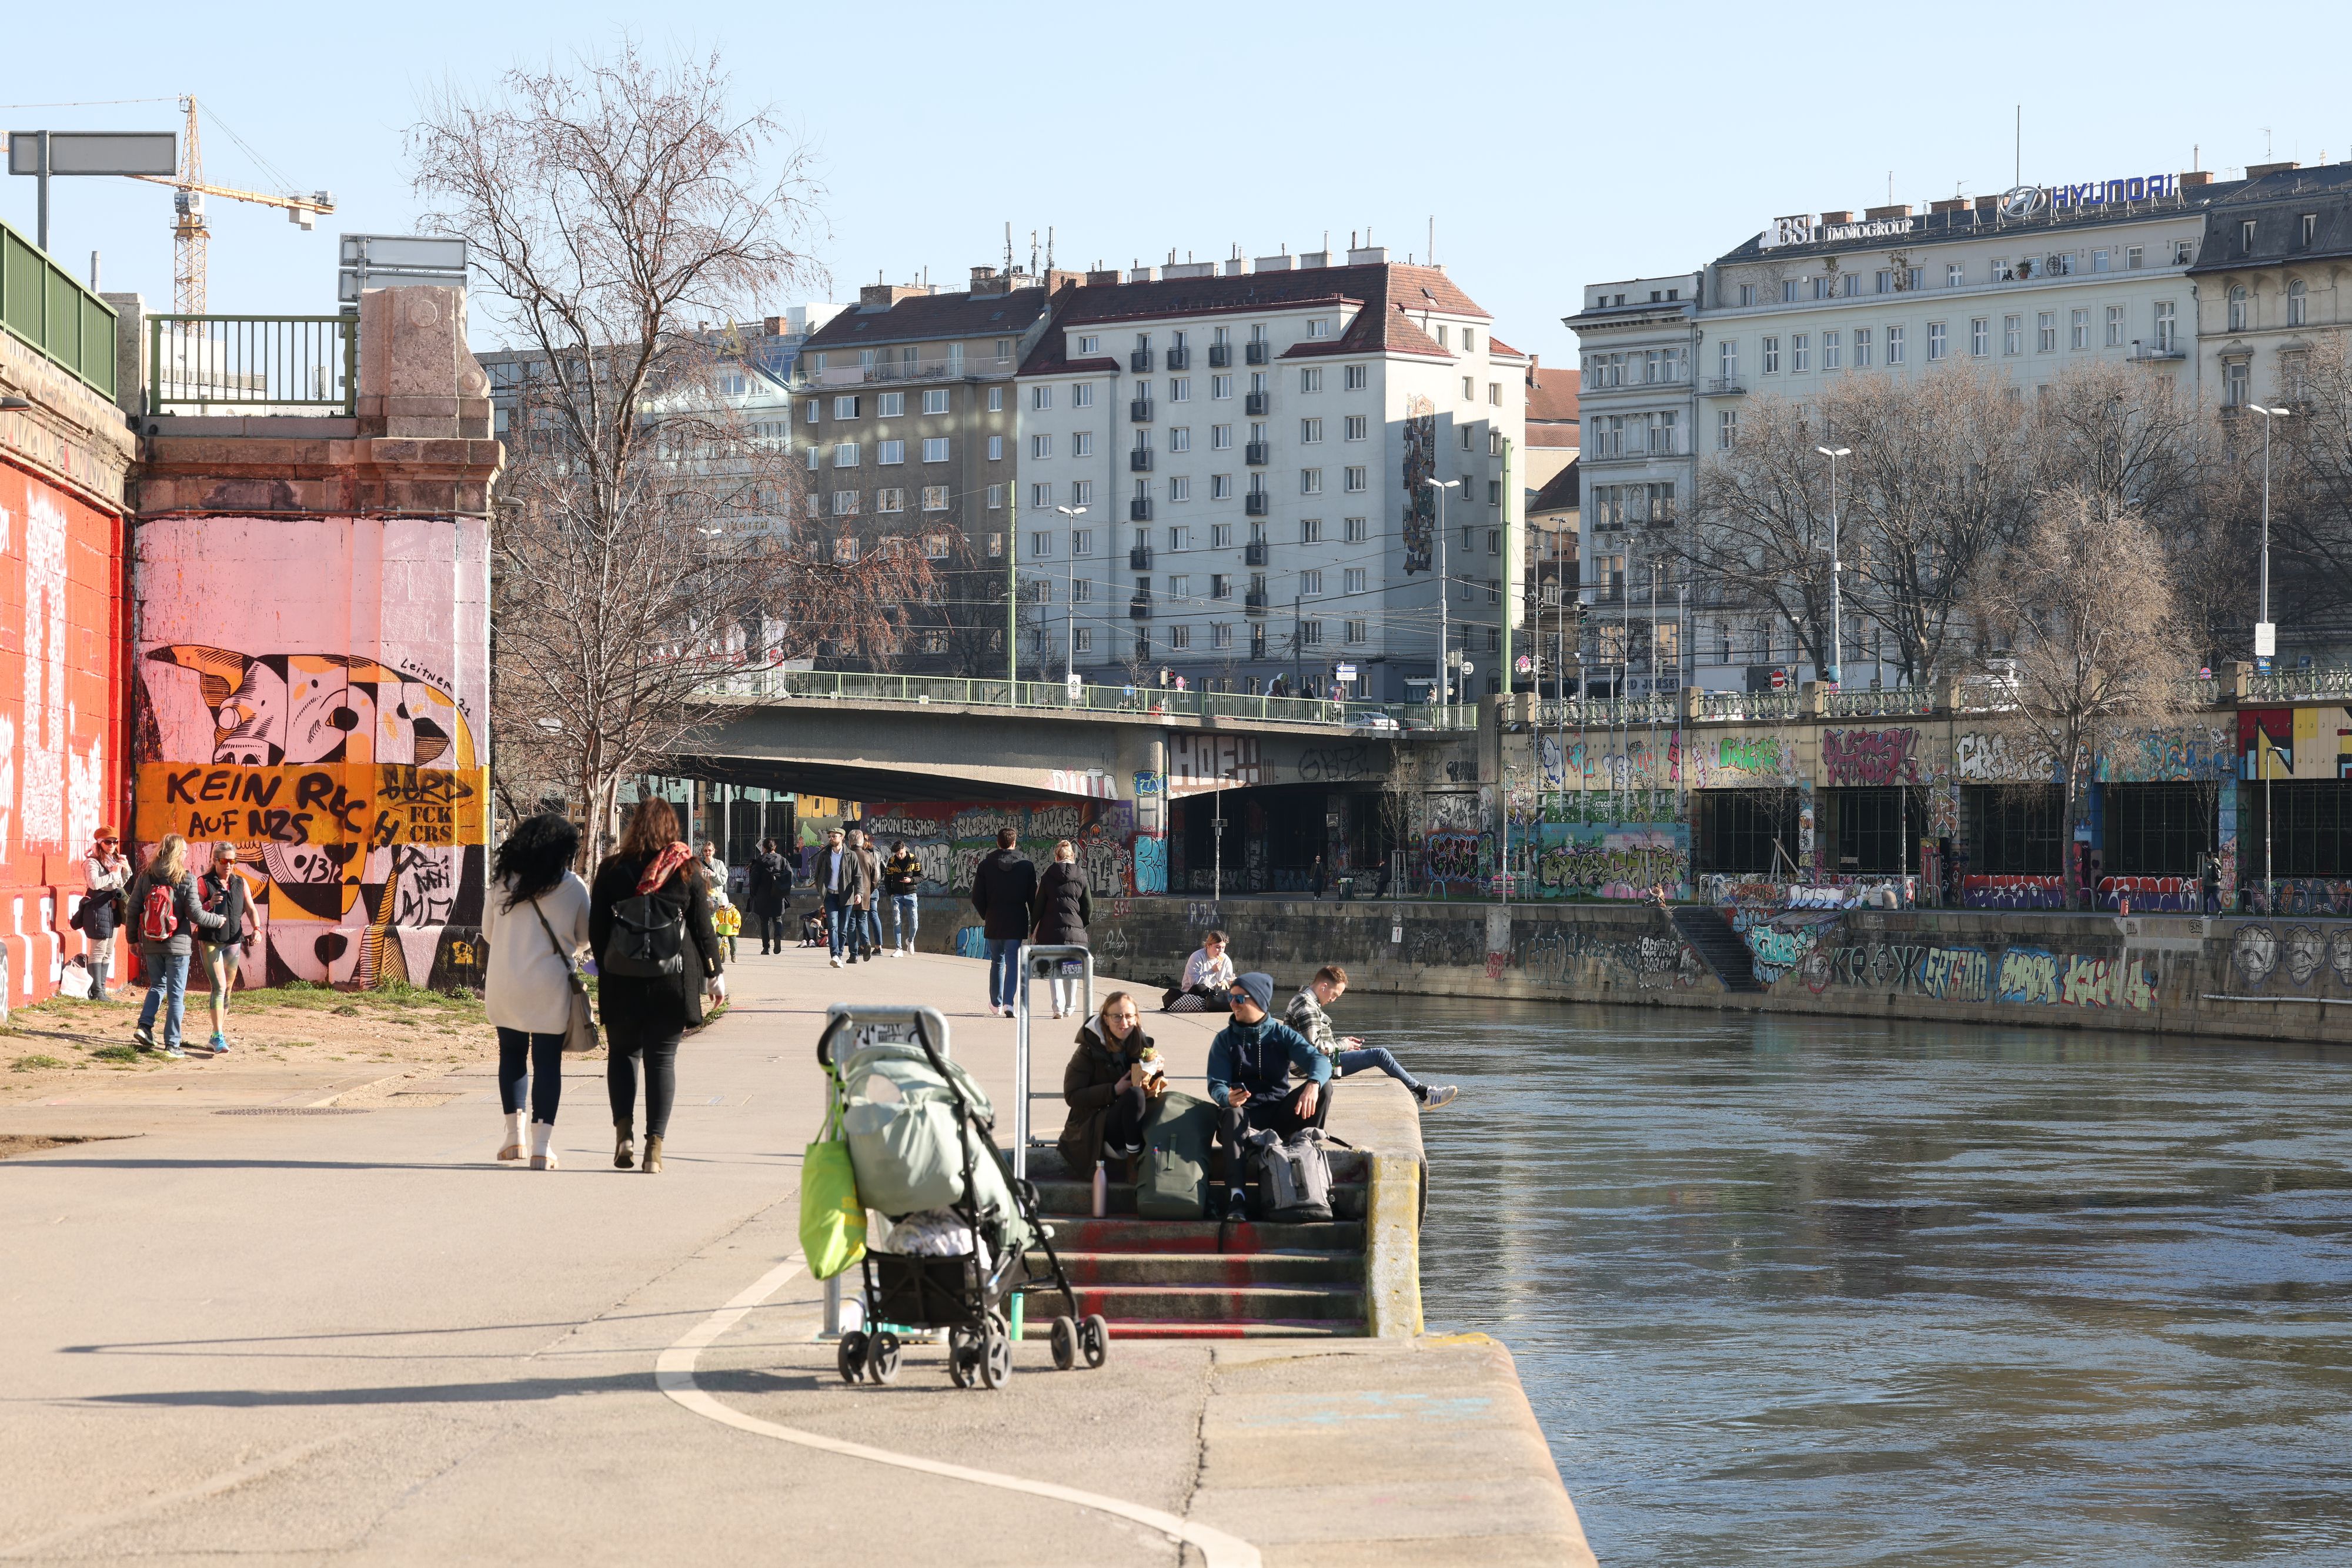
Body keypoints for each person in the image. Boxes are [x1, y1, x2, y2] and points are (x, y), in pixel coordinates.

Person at [590, 797, 726, 1175]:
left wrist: (609, 967)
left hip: (621, 981)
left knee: (622, 1056)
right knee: (662, 1061)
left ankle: (623, 1135)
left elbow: (596, 930)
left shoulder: (611, 869)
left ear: (634, 826)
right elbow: (703, 929)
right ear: (672, 828)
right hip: (672, 981)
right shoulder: (687, 870)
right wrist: (715, 977)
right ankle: (655, 1148)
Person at [482, 813, 590, 1168]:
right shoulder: (573, 886)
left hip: (505, 982)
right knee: (547, 1063)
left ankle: (515, 1138)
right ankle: (542, 1146)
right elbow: (584, 938)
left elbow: (488, 933)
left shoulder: (502, 882)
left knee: (510, 1054)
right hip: (550, 985)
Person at [1207, 972, 1331, 1222]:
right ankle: (1236, 1197)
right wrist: (1227, 1098)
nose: (1232, 1004)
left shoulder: (1281, 1035)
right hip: (1244, 1118)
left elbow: (1319, 1060)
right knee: (1231, 1113)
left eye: (1239, 999)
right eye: (1231, 998)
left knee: (1325, 1088)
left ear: (1260, 1002)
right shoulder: (1224, 1040)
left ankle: (1304, 1158)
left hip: (1279, 1114)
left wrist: (1314, 1084)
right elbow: (1216, 1084)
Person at [1285, 964, 1456, 1111]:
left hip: (1310, 1064)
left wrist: (1341, 1042)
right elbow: (1314, 1048)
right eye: (1335, 994)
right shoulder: (1307, 1007)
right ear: (1323, 986)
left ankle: (1424, 1093)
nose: (1334, 999)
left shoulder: (1305, 1000)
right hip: (1311, 1067)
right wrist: (1342, 1045)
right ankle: (1424, 1094)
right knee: (1380, 1055)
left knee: (1378, 1055)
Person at [128, 834, 225, 1061]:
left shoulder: (146, 876)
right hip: (178, 945)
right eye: (184, 852)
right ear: (177, 854)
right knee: (176, 995)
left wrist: (133, 939)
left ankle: (145, 1027)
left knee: (157, 986)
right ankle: (172, 1044)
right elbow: (195, 914)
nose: (186, 855)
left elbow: (133, 909)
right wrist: (217, 921)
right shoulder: (185, 879)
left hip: (152, 941)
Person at [1058, 990, 1157, 1178]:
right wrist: (1113, 1090)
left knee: (1164, 1104)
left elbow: (1150, 1090)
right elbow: (1072, 1095)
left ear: (1136, 1018)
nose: (1124, 1023)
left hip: (1129, 1120)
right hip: (1096, 1124)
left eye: (1129, 1016)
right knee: (1134, 1095)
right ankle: (1133, 1161)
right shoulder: (1088, 1049)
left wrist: (1155, 1072)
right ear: (1105, 1019)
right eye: (1117, 1017)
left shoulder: (1143, 1046)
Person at [195, 842, 254, 1055]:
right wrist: (209, 903)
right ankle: (219, 1035)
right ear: (215, 860)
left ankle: (216, 1033)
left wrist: (257, 929)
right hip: (210, 940)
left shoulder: (240, 882)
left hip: (233, 940)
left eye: (232, 861)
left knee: (227, 989)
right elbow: (195, 911)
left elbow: (250, 907)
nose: (228, 865)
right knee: (219, 987)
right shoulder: (204, 882)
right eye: (224, 861)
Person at [970, 826, 1036, 1017]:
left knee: (996, 961)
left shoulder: (985, 865)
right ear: (1014, 843)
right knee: (1013, 962)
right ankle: (1009, 1004)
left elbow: (977, 897)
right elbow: (1033, 899)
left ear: (998, 843)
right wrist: (1035, 922)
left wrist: (986, 914)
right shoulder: (1026, 865)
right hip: (1016, 921)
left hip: (994, 919)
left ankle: (995, 1003)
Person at [1031, 839, 1093, 1018]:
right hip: (1075, 931)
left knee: (1054, 970)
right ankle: (1070, 1007)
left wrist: (1033, 926)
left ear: (1056, 857)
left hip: (1051, 932)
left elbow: (1039, 906)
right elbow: (1088, 906)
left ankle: (1057, 1007)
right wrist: (1081, 924)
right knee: (1071, 970)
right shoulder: (1081, 877)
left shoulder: (1048, 876)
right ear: (1072, 856)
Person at [79, 827, 131, 1001]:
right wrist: (113, 874)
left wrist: (126, 870)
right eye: (108, 842)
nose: (112, 845)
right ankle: (97, 992)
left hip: (112, 909)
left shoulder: (113, 860)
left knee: (109, 951)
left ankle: (102, 990)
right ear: (99, 843)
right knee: (98, 950)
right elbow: (94, 883)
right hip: (98, 908)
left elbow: (120, 883)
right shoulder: (92, 862)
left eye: (115, 842)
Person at [1165, 928, 1236, 1011]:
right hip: (1194, 995)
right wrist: (1212, 971)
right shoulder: (1197, 957)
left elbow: (1226, 981)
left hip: (1215, 995)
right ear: (1209, 945)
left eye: (1223, 948)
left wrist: (1231, 983)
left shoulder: (1226, 959)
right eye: (1218, 947)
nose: (1221, 951)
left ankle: (1215, 1002)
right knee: (1200, 988)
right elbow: (1195, 983)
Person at [814, 827, 854, 967]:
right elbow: (817, 874)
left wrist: (859, 894)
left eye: (834, 836)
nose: (831, 838)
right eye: (830, 836)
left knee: (843, 929)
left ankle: (840, 954)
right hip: (830, 896)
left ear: (842, 838)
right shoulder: (824, 855)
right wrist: (821, 890)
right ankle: (835, 955)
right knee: (833, 926)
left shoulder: (851, 855)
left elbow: (858, 876)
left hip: (846, 896)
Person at [845, 827, 884, 961]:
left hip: (849, 894)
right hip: (866, 894)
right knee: (862, 920)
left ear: (850, 842)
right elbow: (876, 877)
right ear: (862, 842)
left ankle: (853, 954)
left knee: (851, 924)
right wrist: (868, 891)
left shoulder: (848, 855)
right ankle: (866, 942)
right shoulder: (869, 856)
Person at [749, 838, 791, 954]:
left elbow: (753, 880)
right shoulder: (782, 860)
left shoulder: (759, 861)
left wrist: (754, 894)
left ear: (764, 848)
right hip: (778, 894)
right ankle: (777, 936)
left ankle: (766, 947)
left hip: (762, 895)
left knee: (764, 922)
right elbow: (789, 875)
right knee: (778, 919)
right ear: (775, 847)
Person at [881, 838, 923, 957]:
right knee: (897, 922)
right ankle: (898, 948)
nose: (899, 856)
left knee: (914, 923)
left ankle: (910, 940)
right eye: (897, 854)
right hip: (897, 896)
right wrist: (891, 894)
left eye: (901, 853)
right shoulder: (892, 861)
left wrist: (911, 880)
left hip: (911, 894)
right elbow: (887, 880)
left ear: (905, 849)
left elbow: (922, 876)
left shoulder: (914, 859)